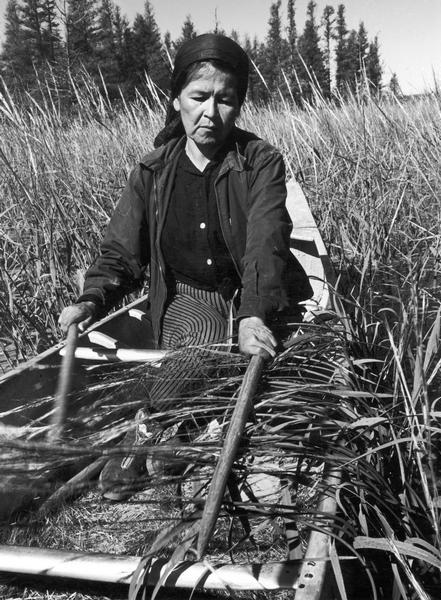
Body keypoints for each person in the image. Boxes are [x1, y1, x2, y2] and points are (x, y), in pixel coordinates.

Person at [59, 33, 312, 500]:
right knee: (192, 338)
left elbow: (266, 240)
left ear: (239, 105)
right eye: (198, 97)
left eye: (225, 100)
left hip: (242, 293)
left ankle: (155, 427)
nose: (210, 113)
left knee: (220, 343)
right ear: (177, 99)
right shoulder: (153, 172)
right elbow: (121, 250)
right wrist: (92, 298)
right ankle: (166, 423)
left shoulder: (260, 162)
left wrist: (254, 312)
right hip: (187, 296)